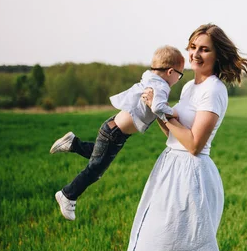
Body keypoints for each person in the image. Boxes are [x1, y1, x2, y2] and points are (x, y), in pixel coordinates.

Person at [122, 24, 247, 251]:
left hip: (192, 177)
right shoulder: (188, 89)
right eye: (193, 47)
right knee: (164, 250)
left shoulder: (214, 90)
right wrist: (158, 111)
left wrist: (164, 113)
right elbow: (174, 136)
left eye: (205, 49)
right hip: (171, 170)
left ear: (217, 55)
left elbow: (195, 144)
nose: (196, 54)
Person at [49, 46, 185, 220]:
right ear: (170, 72)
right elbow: (158, 107)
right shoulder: (161, 86)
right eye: (179, 75)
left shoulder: (150, 78)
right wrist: (174, 113)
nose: (178, 80)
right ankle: (68, 195)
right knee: (96, 169)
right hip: (115, 133)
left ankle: (73, 143)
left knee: (99, 155)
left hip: (113, 128)